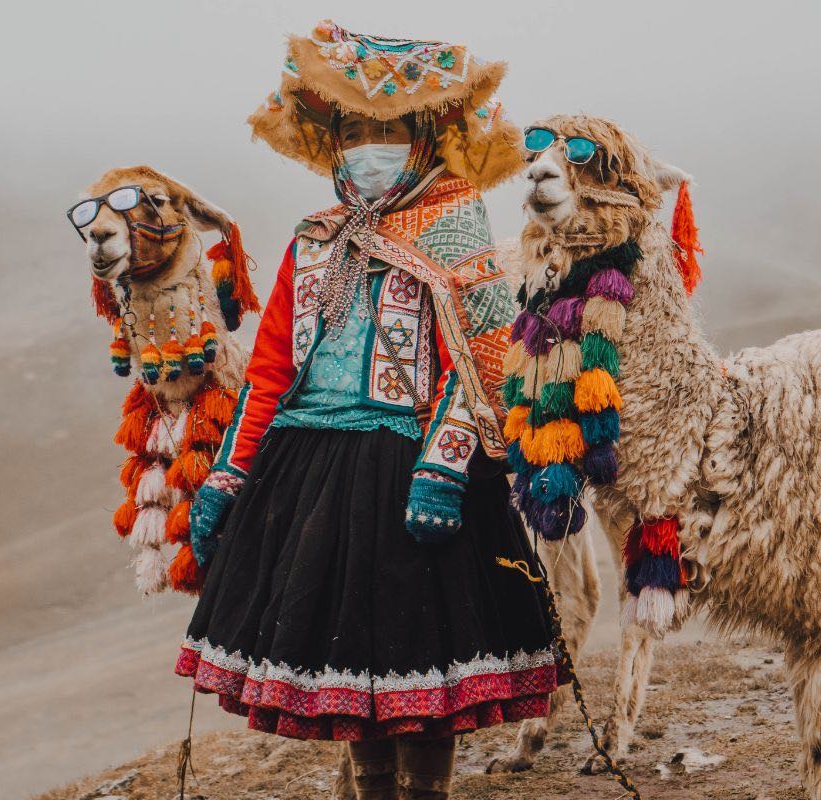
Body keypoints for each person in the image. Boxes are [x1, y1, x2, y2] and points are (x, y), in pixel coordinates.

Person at [173, 20, 565, 800]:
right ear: (332, 140)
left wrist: (443, 470)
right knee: (339, 664)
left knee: (418, 658)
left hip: (414, 468)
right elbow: (274, 368)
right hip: (306, 472)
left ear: (421, 138)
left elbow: (483, 359)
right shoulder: (312, 240)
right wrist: (227, 475)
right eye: (355, 129)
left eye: (387, 129)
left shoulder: (455, 225)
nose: (369, 145)